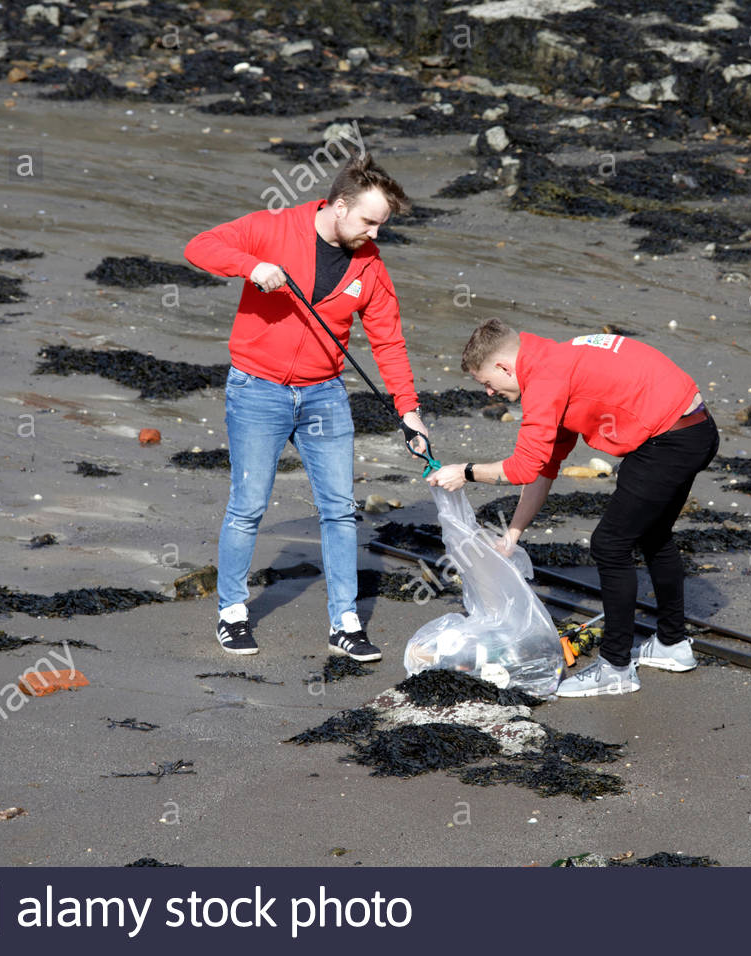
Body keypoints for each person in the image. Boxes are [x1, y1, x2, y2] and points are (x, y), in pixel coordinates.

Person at [184, 153, 428, 661]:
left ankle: (345, 622)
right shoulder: (274, 228)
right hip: (257, 390)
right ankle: (232, 612)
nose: (375, 234)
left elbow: (388, 343)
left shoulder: (370, 266)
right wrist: (252, 267)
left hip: (324, 394)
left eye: (381, 225)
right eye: (368, 221)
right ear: (339, 206)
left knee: (340, 510)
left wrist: (409, 411)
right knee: (248, 506)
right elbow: (200, 246)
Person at [427, 319, 718, 697]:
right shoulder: (552, 360)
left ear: (503, 366)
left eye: (487, 382)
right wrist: (513, 534)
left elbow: (521, 468)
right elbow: (545, 466)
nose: (488, 392)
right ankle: (672, 646)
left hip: (670, 440)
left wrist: (465, 472)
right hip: (694, 430)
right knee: (653, 535)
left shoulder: (545, 379)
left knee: (609, 545)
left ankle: (615, 669)